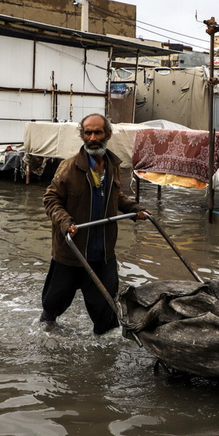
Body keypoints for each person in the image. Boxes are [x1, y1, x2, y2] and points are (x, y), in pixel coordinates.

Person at [40, 113, 148, 334]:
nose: (92, 138)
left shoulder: (112, 166)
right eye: (88, 133)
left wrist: (134, 209)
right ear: (82, 135)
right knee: (53, 306)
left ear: (107, 134)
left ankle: (105, 358)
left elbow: (115, 197)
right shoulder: (69, 168)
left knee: (107, 312)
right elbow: (51, 200)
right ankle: (45, 340)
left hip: (103, 253)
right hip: (72, 251)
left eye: (97, 132)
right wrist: (65, 221)